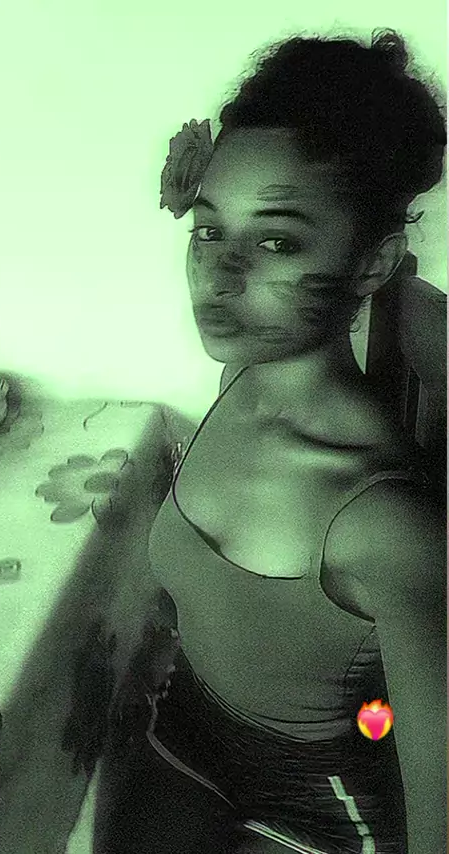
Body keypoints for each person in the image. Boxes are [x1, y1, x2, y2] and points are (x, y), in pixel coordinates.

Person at [93, 28, 446, 854]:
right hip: (186, 731)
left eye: (277, 241)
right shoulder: (236, 380)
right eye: (208, 232)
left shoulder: (387, 527)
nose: (218, 276)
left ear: (373, 265)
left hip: (320, 807)